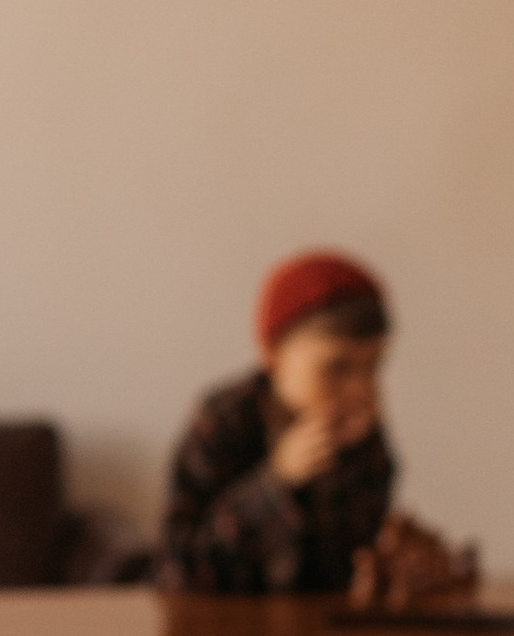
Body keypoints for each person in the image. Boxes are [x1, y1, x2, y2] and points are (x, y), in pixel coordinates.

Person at [156, 249, 400, 593]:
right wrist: (277, 483)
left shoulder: (363, 436)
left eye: (373, 367)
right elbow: (178, 570)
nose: (360, 388)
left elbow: (345, 574)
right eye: (337, 368)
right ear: (273, 355)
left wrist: (349, 468)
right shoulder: (223, 421)